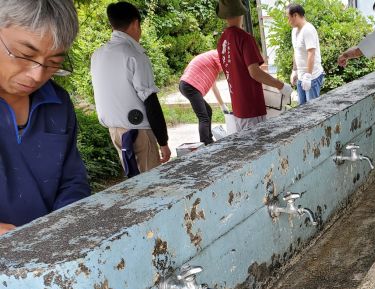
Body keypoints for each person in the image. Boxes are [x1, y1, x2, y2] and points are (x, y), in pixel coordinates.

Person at [0, 0, 90, 235]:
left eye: (53, 63)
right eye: (25, 55)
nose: (37, 75)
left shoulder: (57, 103)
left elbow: (73, 180)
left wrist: (61, 227)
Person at [91, 1, 170, 177]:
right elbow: (150, 101)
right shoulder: (134, 55)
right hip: (138, 133)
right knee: (152, 186)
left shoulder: (97, 55)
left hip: (115, 132)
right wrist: (163, 141)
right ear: (135, 24)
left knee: (134, 183)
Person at [216, 0, 292, 133]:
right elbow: (255, 72)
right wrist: (281, 85)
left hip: (238, 107)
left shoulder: (222, 40)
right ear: (241, 13)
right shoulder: (245, 38)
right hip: (252, 107)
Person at [179, 50, 228, 145]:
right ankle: (206, 143)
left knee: (208, 111)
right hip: (190, 85)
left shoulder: (211, 64)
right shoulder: (218, 55)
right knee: (203, 117)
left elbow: (214, 87)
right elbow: (228, 69)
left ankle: (209, 139)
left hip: (186, 85)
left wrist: (222, 105)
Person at [287, 4, 324, 105]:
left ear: (295, 15)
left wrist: (308, 76)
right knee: (302, 110)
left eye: (288, 17)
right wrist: (294, 70)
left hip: (312, 77)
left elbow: (311, 54)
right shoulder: (294, 31)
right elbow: (296, 51)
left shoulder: (308, 30)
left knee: (312, 111)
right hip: (301, 76)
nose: (288, 21)